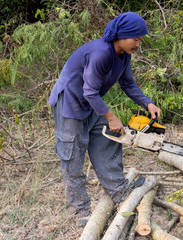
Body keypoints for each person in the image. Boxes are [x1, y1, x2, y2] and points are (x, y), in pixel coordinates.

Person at [48, 12, 161, 226]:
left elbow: (127, 84)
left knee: (108, 139)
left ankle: (119, 190)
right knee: (73, 153)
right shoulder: (100, 52)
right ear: (121, 35)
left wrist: (148, 103)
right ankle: (80, 210)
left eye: (140, 40)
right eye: (135, 39)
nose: (138, 44)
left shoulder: (124, 55)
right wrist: (111, 116)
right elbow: (89, 91)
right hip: (70, 102)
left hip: (91, 102)